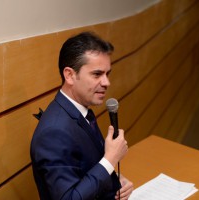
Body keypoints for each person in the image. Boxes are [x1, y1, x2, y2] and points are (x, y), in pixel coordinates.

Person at [30, 31, 133, 199]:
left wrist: (114, 181)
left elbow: (87, 170)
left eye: (108, 74)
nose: (107, 82)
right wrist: (110, 160)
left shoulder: (80, 109)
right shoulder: (53, 132)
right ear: (70, 75)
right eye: (97, 74)